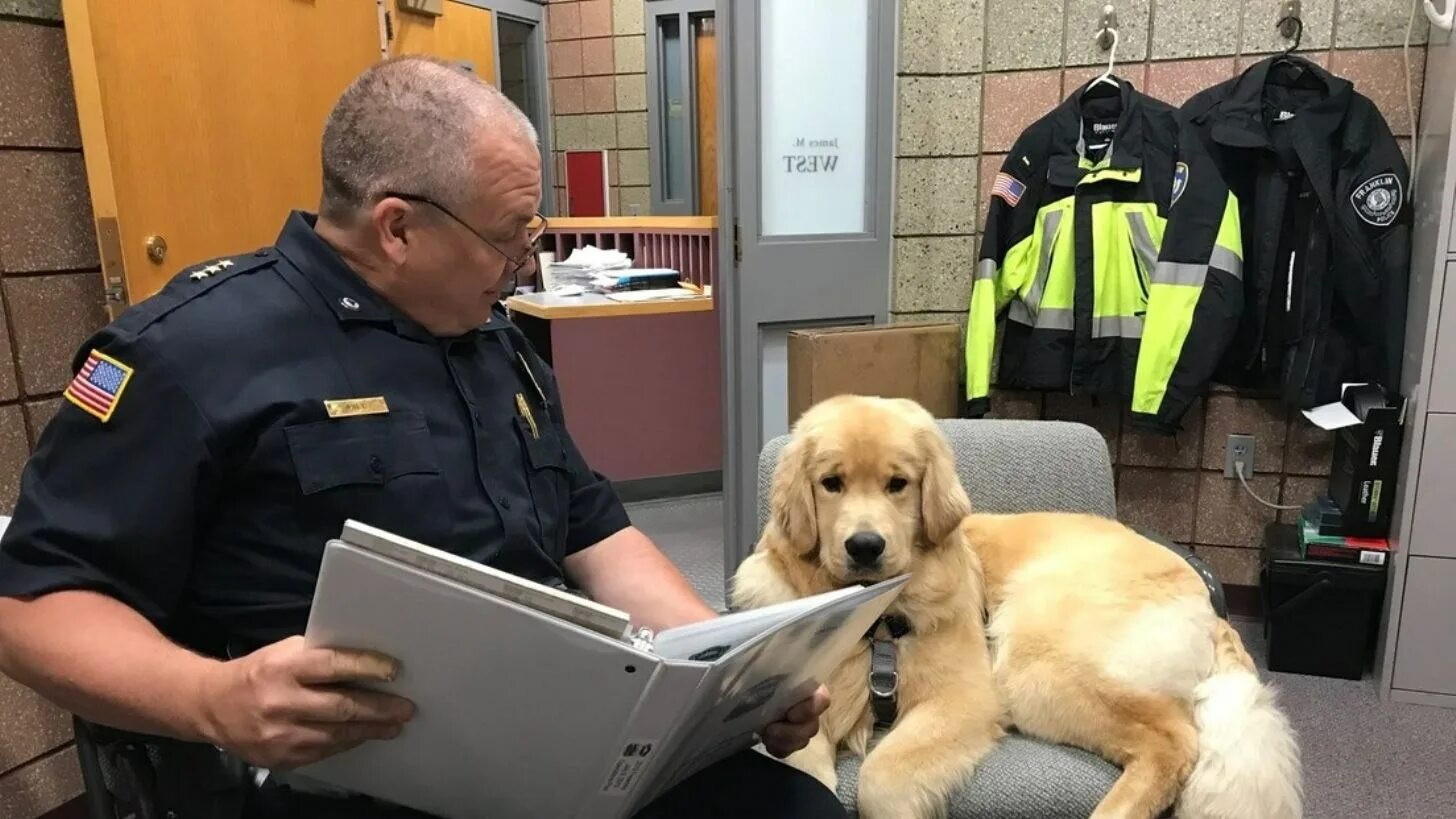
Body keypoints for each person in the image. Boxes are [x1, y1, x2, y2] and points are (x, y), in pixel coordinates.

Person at [0, 55, 842, 818]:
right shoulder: (188, 353)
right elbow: (29, 601)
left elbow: (597, 533)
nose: (524, 264)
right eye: (511, 237)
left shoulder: (492, 340)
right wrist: (213, 696)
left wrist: (723, 675)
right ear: (397, 228)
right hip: (352, 773)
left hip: (557, 738)